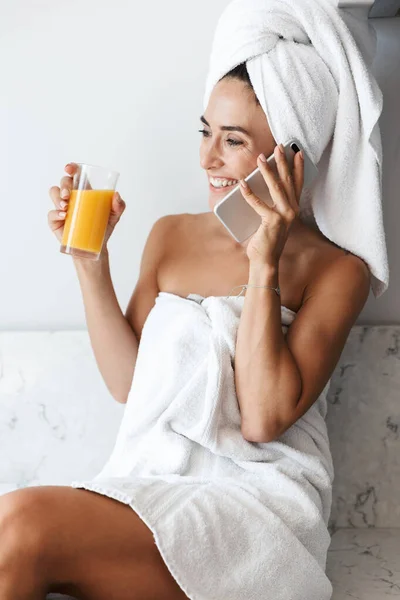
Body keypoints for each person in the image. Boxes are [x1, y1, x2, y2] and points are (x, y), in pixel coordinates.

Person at [0, 63, 370, 599]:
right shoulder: (171, 235)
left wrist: (263, 263)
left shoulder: (337, 271)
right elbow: (131, 386)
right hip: (151, 486)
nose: (207, 158)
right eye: (206, 132)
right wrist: (89, 261)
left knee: (21, 522)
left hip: (256, 510)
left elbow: (264, 419)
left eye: (234, 140)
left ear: (290, 159)